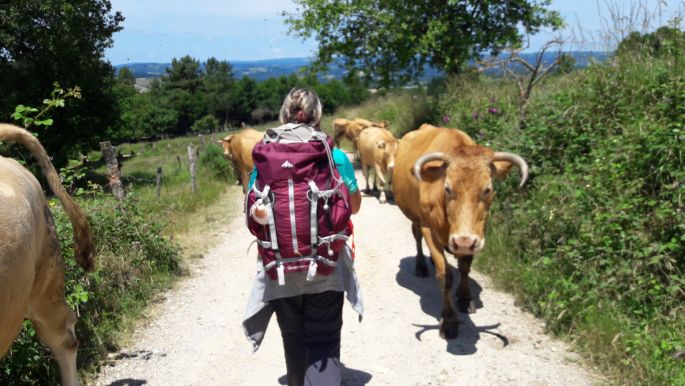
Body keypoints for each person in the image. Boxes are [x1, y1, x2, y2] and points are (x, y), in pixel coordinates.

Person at [242, 88, 363, 386]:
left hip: (279, 266)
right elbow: (354, 206)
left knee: (293, 339)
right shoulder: (333, 155)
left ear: (284, 115)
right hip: (325, 263)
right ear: (318, 116)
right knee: (324, 339)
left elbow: (254, 207)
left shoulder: (265, 156)